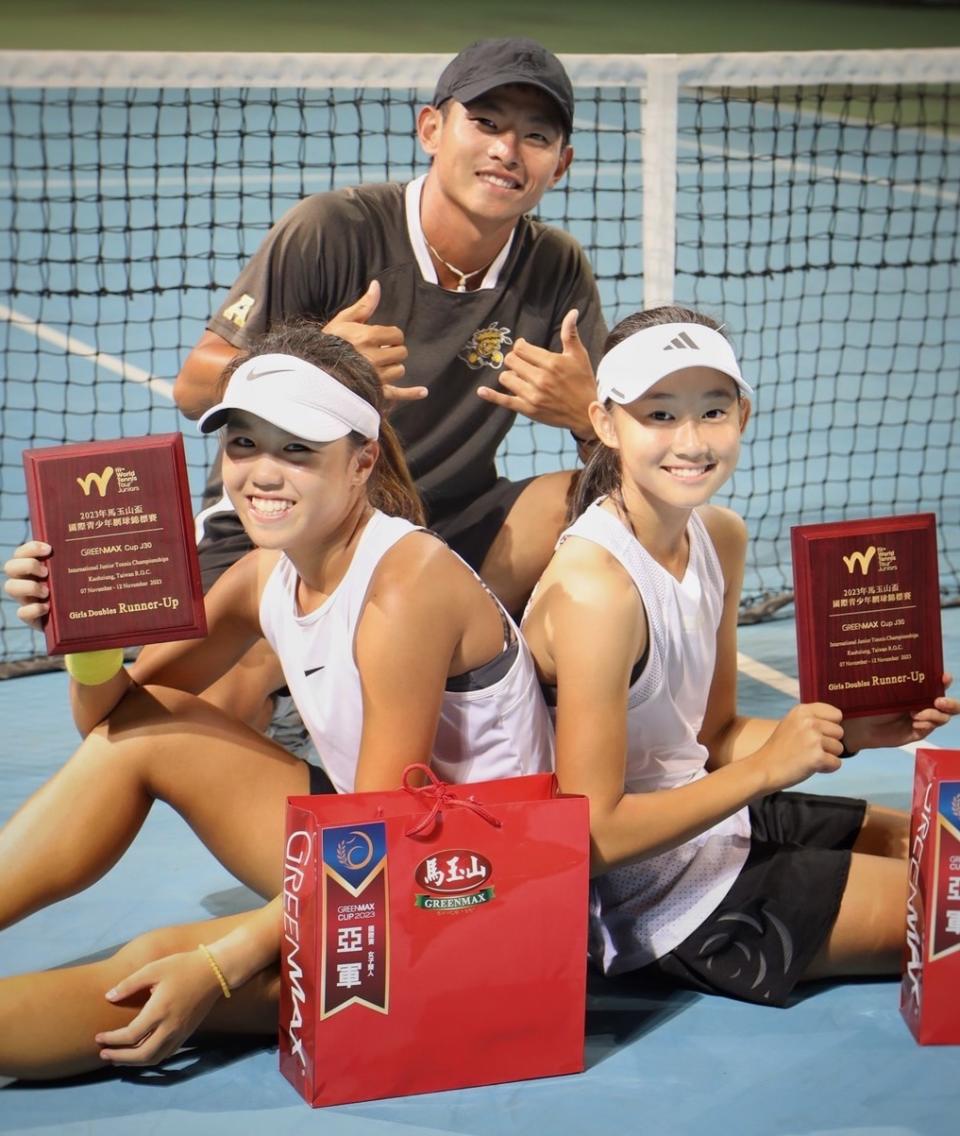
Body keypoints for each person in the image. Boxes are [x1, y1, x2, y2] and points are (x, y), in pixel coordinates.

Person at [0, 323, 553, 1079]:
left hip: (470, 892)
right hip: (379, 846)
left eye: (298, 450)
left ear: (361, 462)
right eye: (243, 446)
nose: (262, 473)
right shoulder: (269, 574)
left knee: (163, 963)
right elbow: (117, 724)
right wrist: (84, 632)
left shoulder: (405, 584)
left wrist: (220, 966)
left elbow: (383, 831)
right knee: (155, 734)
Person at [520, 305, 958, 1006]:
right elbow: (592, 836)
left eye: (712, 412)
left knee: (949, 854)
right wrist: (765, 771)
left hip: (716, 821)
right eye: (658, 415)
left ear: (743, 416)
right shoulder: (597, 592)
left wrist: (851, 734)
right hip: (658, 906)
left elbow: (714, 736)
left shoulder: (718, 536)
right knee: (952, 904)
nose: (690, 441)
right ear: (605, 423)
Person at [174, 36, 608, 732]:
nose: (507, 150)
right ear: (431, 128)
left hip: (437, 530)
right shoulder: (333, 231)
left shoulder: (556, 268)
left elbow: (624, 463)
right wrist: (311, 365)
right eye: (488, 124)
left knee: (575, 501)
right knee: (206, 718)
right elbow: (194, 386)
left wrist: (590, 421)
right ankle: (314, 654)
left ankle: (407, 654)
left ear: (561, 165)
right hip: (291, 527)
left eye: (535, 136)